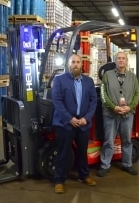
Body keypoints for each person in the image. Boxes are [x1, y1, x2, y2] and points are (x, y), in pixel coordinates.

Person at [52, 54, 97, 193]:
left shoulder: (89, 82)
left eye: (78, 62)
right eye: (73, 62)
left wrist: (86, 118)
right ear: (69, 64)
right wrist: (70, 118)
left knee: (83, 152)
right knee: (63, 152)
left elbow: (93, 102)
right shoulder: (59, 80)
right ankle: (59, 180)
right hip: (65, 123)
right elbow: (57, 102)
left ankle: (84, 176)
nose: (76, 64)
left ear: (82, 65)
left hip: (83, 123)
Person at [97, 51, 139, 177]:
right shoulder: (107, 75)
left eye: (123, 58)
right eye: (119, 58)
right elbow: (103, 94)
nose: (121, 60)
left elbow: (136, 95)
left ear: (126, 61)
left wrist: (129, 107)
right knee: (109, 141)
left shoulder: (133, 77)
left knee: (127, 140)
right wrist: (114, 107)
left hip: (127, 114)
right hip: (110, 115)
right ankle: (105, 165)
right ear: (115, 61)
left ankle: (127, 164)